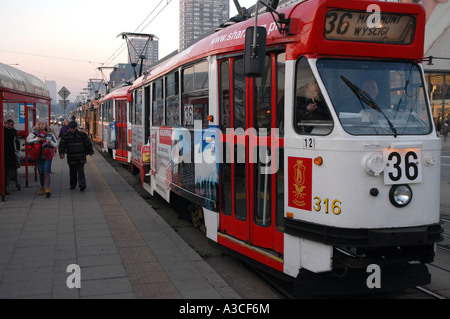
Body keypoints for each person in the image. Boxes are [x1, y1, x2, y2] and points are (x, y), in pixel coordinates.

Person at [58, 121, 94, 191]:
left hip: (80, 156)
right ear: (69, 128)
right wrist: (61, 154)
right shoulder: (65, 136)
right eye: (71, 128)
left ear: (76, 127)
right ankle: (73, 184)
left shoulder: (82, 135)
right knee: (72, 171)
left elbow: (88, 143)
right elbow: (61, 146)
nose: (72, 129)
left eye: (73, 128)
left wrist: (90, 151)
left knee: (80, 170)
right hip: (71, 156)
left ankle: (82, 185)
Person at [26, 118, 58, 197]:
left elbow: (55, 144)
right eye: (40, 124)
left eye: (43, 124)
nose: (41, 125)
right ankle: (42, 187)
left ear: (46, 125)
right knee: (41, 172)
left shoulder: (50, 133)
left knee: (46, 171)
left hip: (47, 155)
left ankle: (47, 189)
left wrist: (49, 142)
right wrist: (37, 139)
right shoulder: (34, 133)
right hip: (38, 155)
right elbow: (27, 140)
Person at [4, 119, 17, 194]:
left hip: (9, 156)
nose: (9, 126)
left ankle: (4, 187)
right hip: (5, 155)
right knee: (5, 173)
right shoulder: (9, 132)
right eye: (8, 124)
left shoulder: (12, 131)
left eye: (11, 125)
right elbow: (7, 139)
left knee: (7, 173)